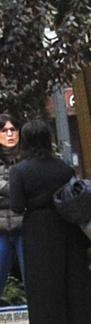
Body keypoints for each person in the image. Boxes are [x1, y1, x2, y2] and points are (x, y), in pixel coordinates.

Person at [5, 120, 91, 324]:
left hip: (38, 229)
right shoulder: (63, 167)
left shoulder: (20, 171)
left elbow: (16, 206)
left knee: (40, 282)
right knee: (73, 278)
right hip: (68, 225)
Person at [0, 116, 23, 299]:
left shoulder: (28, 158)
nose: (9, 134)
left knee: (32, 277)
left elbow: (31, 192)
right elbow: (21, 193)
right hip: (0, 230)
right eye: (4, 130)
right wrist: (17, 195)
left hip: (25, 227)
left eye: (13, 129)